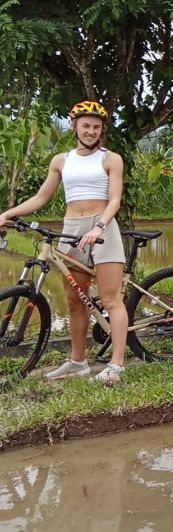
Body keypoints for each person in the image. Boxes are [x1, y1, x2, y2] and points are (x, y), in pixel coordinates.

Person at [0, 100, 127, 384]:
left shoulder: (111, 158)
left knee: (110, 299)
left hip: (102, 227)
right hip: (71, 228)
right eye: (86, 126)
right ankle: (77, 361)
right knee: (74, 301)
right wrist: (7, 213)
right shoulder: (61, 160)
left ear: (102, 130)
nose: (91, 131)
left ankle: (117, 365)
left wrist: (99, 226)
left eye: (96, 127)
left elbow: (115, 200)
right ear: (74, 127)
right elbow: (41, 198)